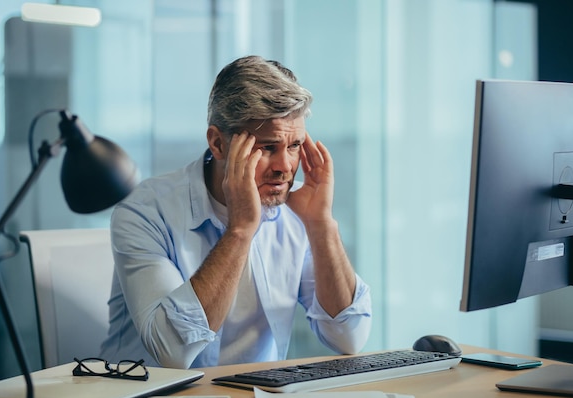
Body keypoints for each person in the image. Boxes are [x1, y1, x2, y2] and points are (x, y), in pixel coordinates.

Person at [99, 55, 372, 369]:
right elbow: (172, 352)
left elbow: (349, 336)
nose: (285, 167)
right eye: (268, 147)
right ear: (218, 144)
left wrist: (321, 224)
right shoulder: (144, 211)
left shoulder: (294, 211)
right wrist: (240, 230)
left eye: (294, 145)